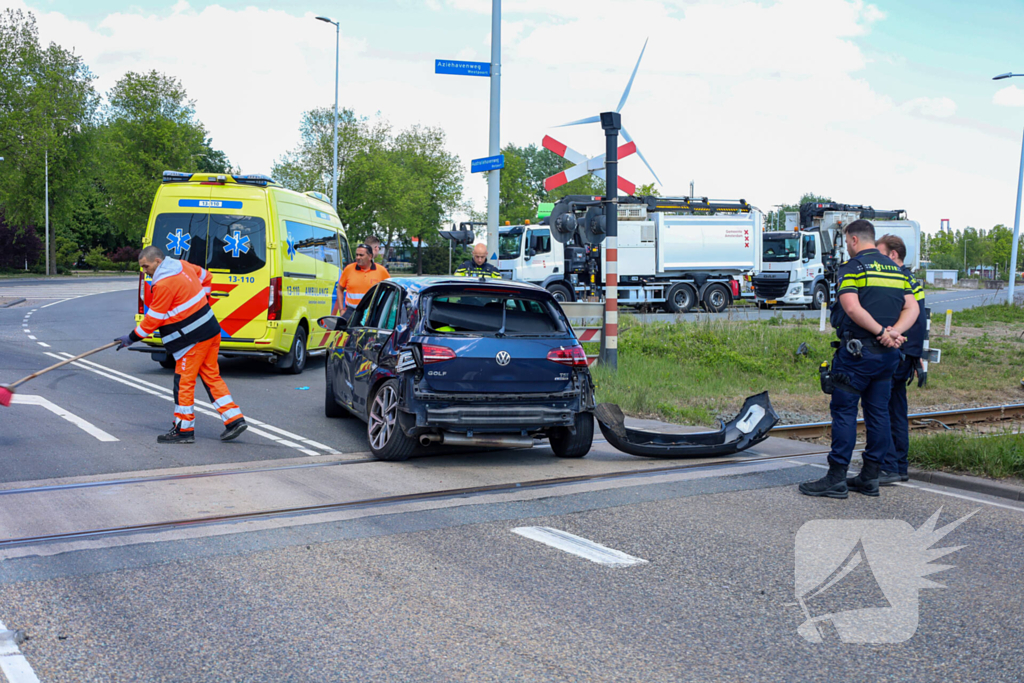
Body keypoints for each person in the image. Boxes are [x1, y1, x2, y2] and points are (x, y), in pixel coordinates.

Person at [799, 219, 919, 499]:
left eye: (846, 242)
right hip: (889, 355)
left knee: (844, 411)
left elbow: (851, 308)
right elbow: (912, 307)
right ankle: (870, 477)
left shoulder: (852, 268)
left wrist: (879, 332)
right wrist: (894, 333)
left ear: (853, 240)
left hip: (858, 354)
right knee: (878, 414)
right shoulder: (896, 270)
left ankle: (836, 477)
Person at [115, 246, 246, 444]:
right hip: (210, 330)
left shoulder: (164, 284)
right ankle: (234, 420)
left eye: (146, 266)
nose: (144, 271)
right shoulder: (182, 266)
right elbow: (207, 276)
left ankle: (183, 430)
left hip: (191, 339)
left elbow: (154, 319)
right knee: (212, 376)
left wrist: (131, 338)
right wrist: (204, 302)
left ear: (158, 262)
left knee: (184, 383)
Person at [876, 234, 926, 486]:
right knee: (896, 410)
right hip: (907, 353)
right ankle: (899, 465)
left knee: (882, 409)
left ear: (893, 255)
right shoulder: (911, 279)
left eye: (880, 253)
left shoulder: (897, 279)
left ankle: (889, 466)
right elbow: (921, 322)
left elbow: (908, 318)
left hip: (897, 352)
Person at [337, 243, 389, 321]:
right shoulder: (349, 269)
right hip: (351, 312)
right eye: (357, 255)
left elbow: (390, 290)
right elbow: (339, 289)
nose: (358, 257)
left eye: (361, 255)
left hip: (372, 314)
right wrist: (341, 310)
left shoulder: (381, 271)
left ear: (370, 257)